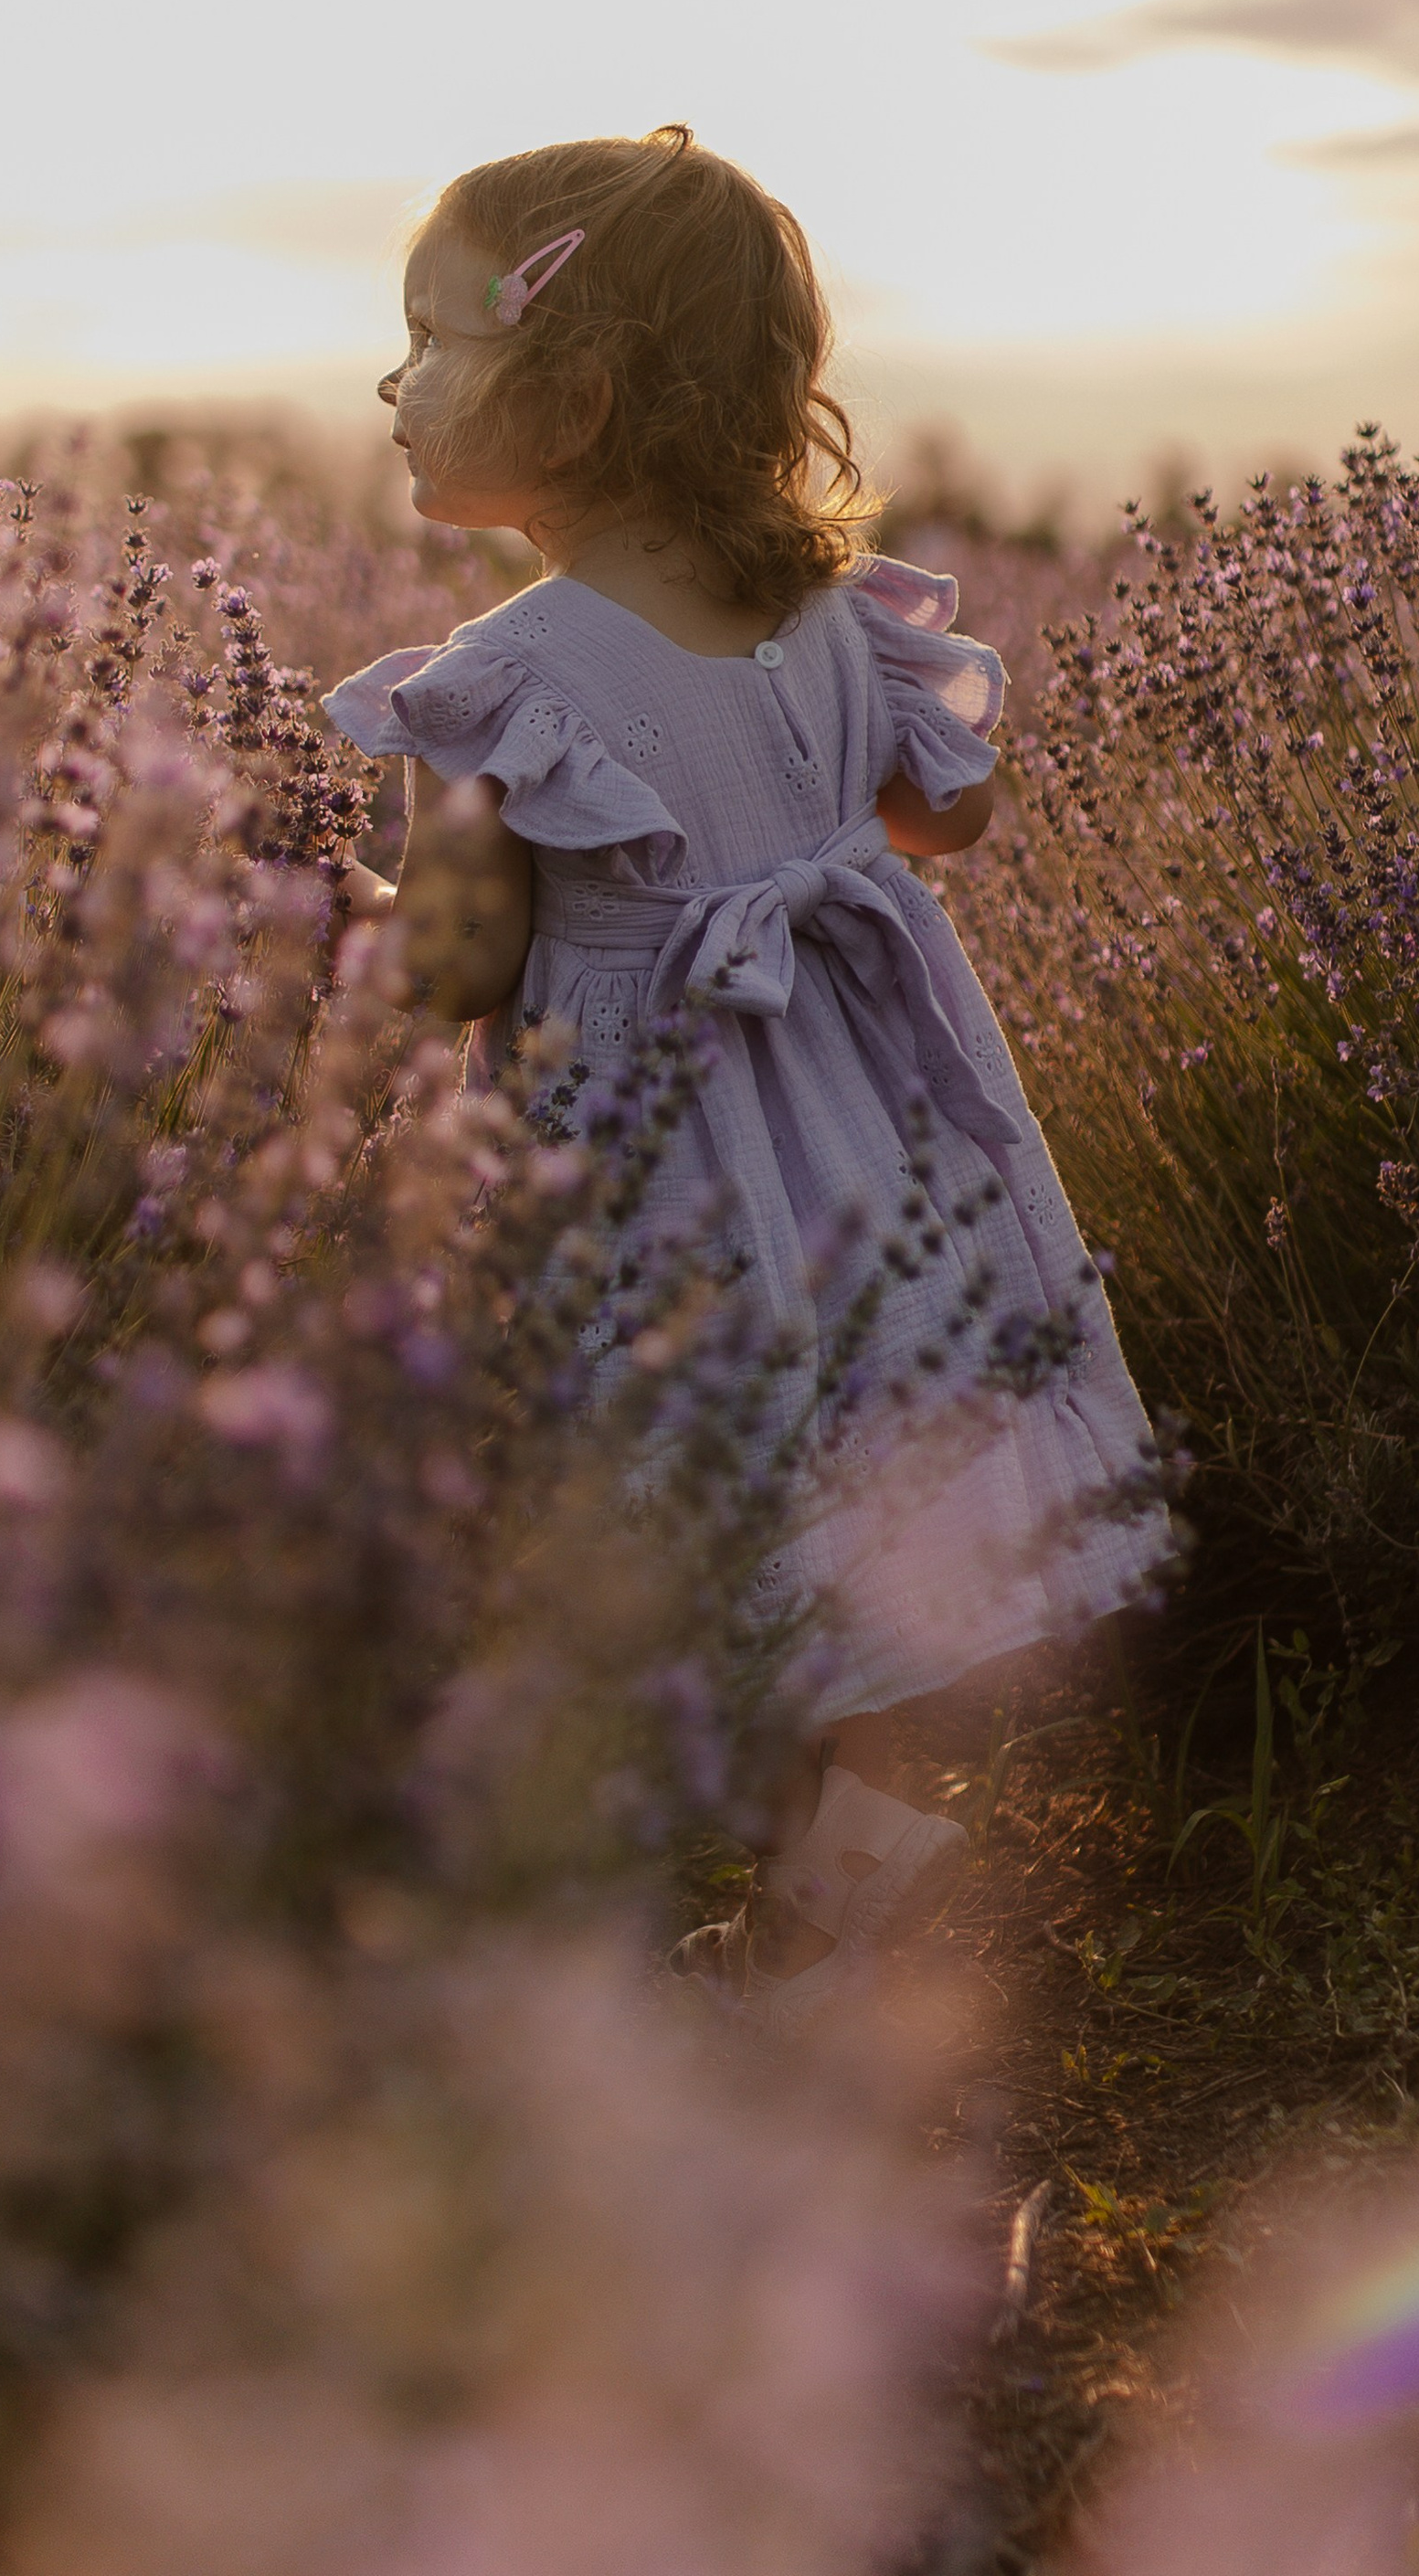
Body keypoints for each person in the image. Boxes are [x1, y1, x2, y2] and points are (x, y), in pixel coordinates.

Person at [323, 124, 1171, 2023]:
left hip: (650, 1167)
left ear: (581, 391)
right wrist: (789, 866)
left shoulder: (502, 679)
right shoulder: (828, 616)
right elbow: (935, 829)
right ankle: (841, 1880)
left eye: (428, 343)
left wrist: (324, 909)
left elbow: (450, 971)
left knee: (669, 1498)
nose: (393, 388)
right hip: (863, 1128)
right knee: (863, 1471)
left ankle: (635, 1929)